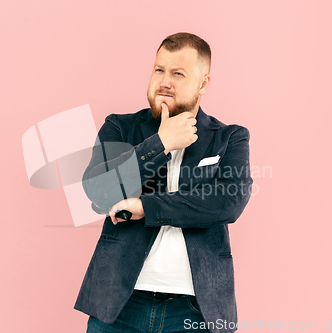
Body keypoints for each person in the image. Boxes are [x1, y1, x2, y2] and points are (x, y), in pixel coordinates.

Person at [75, 32, 252, 333]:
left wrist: (146, 206)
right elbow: (99, 189)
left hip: (196, 311)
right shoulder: (120, 126)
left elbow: (227, 201)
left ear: (203, 83)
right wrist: (161, 143)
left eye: (178, 73)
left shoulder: (230, 137)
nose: (165, 81)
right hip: (119, 306)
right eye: (159, 70)